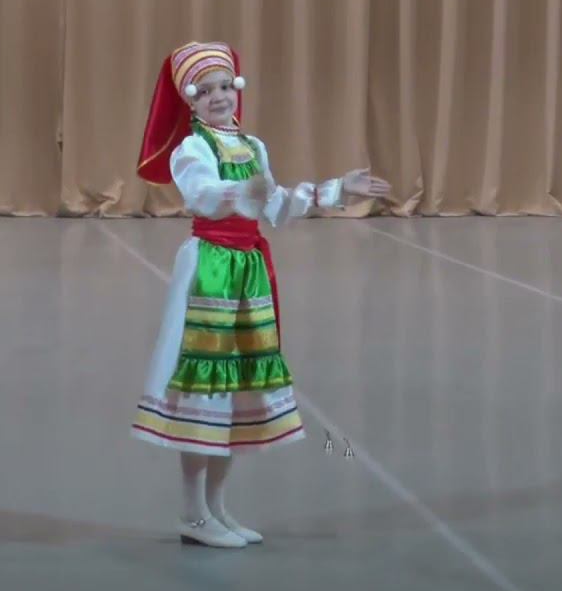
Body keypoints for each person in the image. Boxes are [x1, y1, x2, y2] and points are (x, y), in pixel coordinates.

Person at [130, 41, 391, 548]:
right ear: (190, 101)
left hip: (248, 274)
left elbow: (276, 206)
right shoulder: (192, 149)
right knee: (206, 391)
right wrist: (240, 193)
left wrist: (338, 189)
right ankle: (192, 514)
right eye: (205, 91)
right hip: (211, 271)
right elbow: (203, 194)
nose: (219, 97)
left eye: (225, 86)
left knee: (236, 394)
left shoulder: (253, 147)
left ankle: (218, 508)